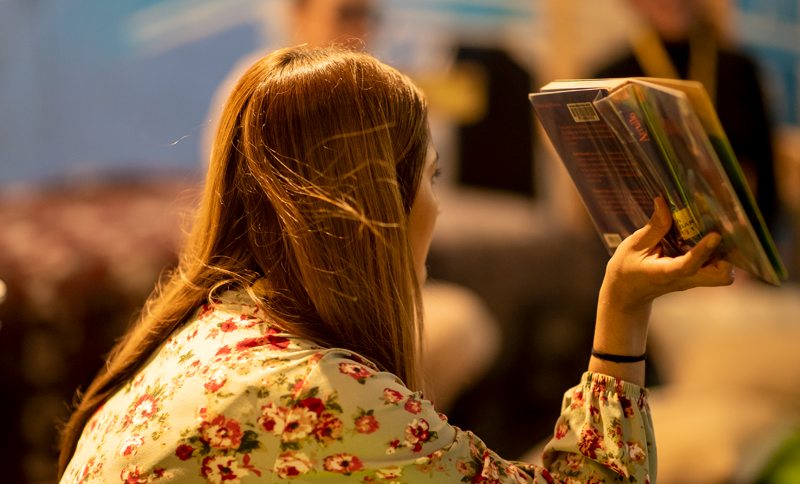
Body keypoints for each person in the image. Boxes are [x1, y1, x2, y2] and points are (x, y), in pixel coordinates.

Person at [57, 46, 733, 484]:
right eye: (430, 177)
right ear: (373, 206)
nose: (438, 208)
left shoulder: (207, 330)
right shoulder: (321, 394)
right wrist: (621, 313)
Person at [594, 0, 779, 230]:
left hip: (732, 236)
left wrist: (754, 255)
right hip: (649, 241)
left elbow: (767, 177)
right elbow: (606, 190)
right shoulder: (609, 80)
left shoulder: (740, 70)